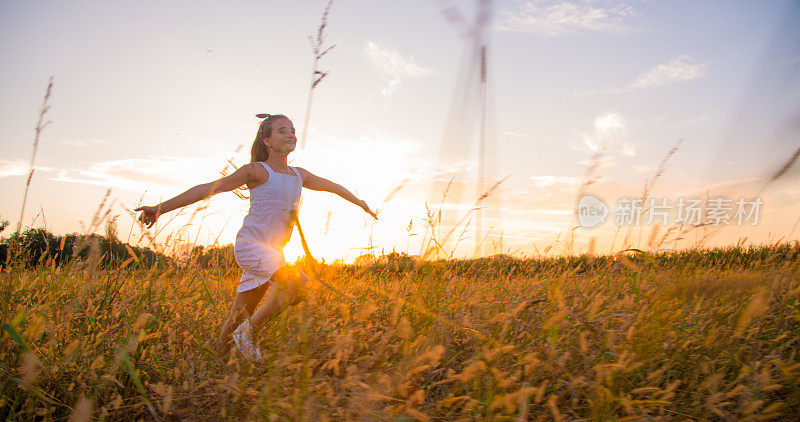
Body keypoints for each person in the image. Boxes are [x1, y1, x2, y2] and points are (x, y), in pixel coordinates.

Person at [135, 113, 377, 361]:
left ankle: (215, 365)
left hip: (273, 252)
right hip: (251, 246)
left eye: (292, 130)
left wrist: (360, 202)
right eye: (282, 130)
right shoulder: (256, 171)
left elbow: (332, 186)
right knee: (297, 284)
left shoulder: (299, 175)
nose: (291, 134)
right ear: (267, 141)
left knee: (238, 317)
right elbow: (207, 189)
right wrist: (160, 208)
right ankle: (247, 334)